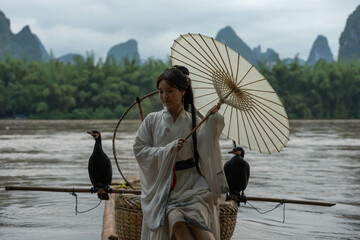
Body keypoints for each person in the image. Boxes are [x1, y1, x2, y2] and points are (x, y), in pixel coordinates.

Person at [133, 66, 228, 240]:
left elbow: (206, 148)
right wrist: (168, 150)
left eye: (170, 91)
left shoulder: (195, 120)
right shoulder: (152, 121)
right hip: (165, 188)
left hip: (193, 186)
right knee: (178, 224)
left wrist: (211, 121)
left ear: (183, 91)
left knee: (199, 227)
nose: (164, 96)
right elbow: (139, 150)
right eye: (161, 91)